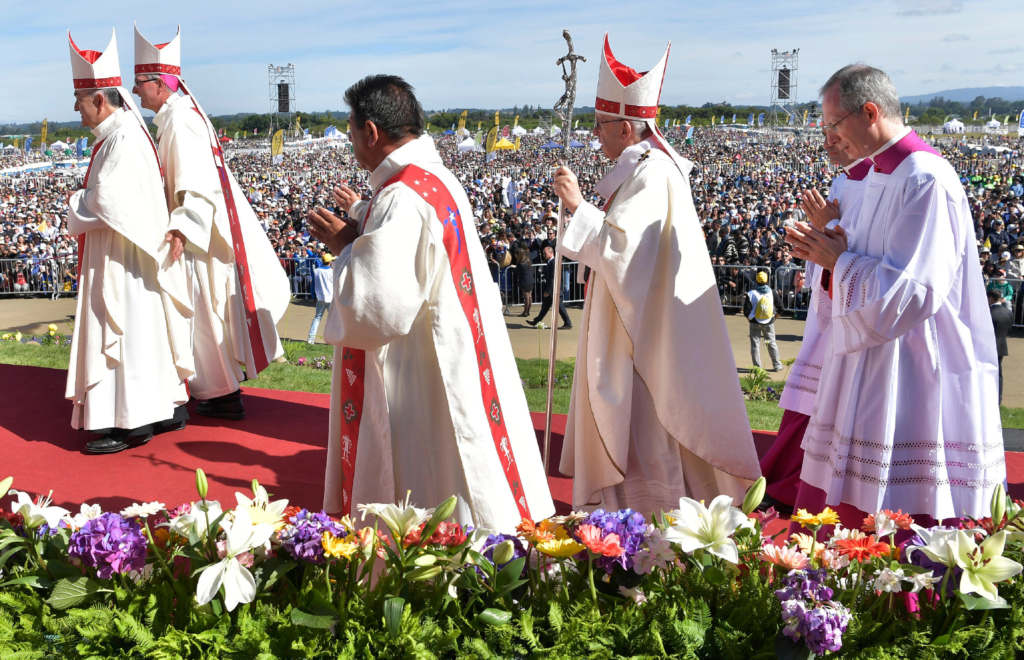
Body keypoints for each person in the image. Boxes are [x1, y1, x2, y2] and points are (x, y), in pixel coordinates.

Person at [304, 74, 554, 530]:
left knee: (441, 476)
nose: (351, 141)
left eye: (352, 130)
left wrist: (345, 248)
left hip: (428, 368)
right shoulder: (431, 178)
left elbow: (378, 306)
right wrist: (363, 216)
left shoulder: (402, 195)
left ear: (372, 132)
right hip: (455, 346)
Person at [786, 64, 1004, 530]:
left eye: (833, 124)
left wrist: (837, 263)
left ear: (869, 112)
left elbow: (914, 290)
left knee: (897, 512)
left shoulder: (926, 178)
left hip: (911, 363)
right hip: (863, 356)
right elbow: (847, 259)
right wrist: (824, 245)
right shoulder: (869, 177)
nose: (829, 138)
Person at [550, 35, 761, 515]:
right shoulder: (639, 168)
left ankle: (646, 531)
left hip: (643, 336)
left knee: (645, 434)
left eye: (601, 125)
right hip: (633, 320)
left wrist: (577, 207)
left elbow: (627, 253)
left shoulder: (654, 174)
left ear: (626, 128)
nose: (595, 134)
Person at [133, 25, 290, 421]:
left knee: (203, 317)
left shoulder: (181, 120)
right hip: (198, 233)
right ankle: (219, 391)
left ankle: (222, 393)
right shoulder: (177, 115)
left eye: (139, 83)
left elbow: (197, 184)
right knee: (205, 317)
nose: (135, 92)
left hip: (197, 239)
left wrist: (183, 226)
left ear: (159, 84)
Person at [65, 29, 193, 453]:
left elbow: (107, 200)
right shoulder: (120, 134)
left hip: (124, 260)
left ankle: (130, 420)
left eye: (81, 101)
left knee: (130, 330)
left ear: (100, 99)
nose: (76, 110)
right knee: (144, 332)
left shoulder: (123, 137)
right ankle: (159, 410)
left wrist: (73, 201)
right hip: (129, 253)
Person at [757, 138, 873, 512]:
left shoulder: (884, 182)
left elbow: (871, 253)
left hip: (859, 315)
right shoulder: (843, 181)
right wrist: (813, 243)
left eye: (837, 131)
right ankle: (790, 480)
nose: (828, 142)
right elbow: (838, 245)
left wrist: (830, 229)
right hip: (832, 307)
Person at [743, 271, 783, 371]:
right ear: (767, 281)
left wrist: (750, 319)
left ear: (756, 281)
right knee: (772, 343)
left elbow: (746, 311)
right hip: (769, 322)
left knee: (755, 345)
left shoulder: (751, 293)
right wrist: (774, 318)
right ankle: (777, 365)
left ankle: (757, 367)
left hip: (754, 322)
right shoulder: (772, 292)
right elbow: (781, 308)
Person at [526, 245, 572, 329]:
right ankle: (536, 321)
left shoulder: (553, 263)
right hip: (551, 290)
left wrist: (548, 291)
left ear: (551, 253)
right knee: (544, 307)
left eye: (545, 253)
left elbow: (553, 278)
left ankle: (568, 323)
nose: (543, 255)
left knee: (560, 308)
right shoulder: (550, 262)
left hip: (554, 290)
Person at [990, 288, 1012, 406]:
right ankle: (998, 397)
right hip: (1002, 346)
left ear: (991, 298)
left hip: (988, 347)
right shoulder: (1008, 312)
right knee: (999, 373)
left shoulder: (988, 312)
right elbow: (1009, 328)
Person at [308, 254, 334, 344]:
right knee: (332, 319)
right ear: (330, 262)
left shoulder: (316, 271)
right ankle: (331, 339)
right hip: (330, 298)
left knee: (317, 317)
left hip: (320, 297)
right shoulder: (332, 272)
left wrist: (313, 296)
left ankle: (311, 338)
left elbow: (313, 285)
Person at [515, 247, 535, 317]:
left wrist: (513, 267)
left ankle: (525, 312)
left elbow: (516, 271)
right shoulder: (527, 260)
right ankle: (528, 311)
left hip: (524, 282)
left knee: (527, 298)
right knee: (530, 297)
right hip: (530, 280)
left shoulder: (520, 263)